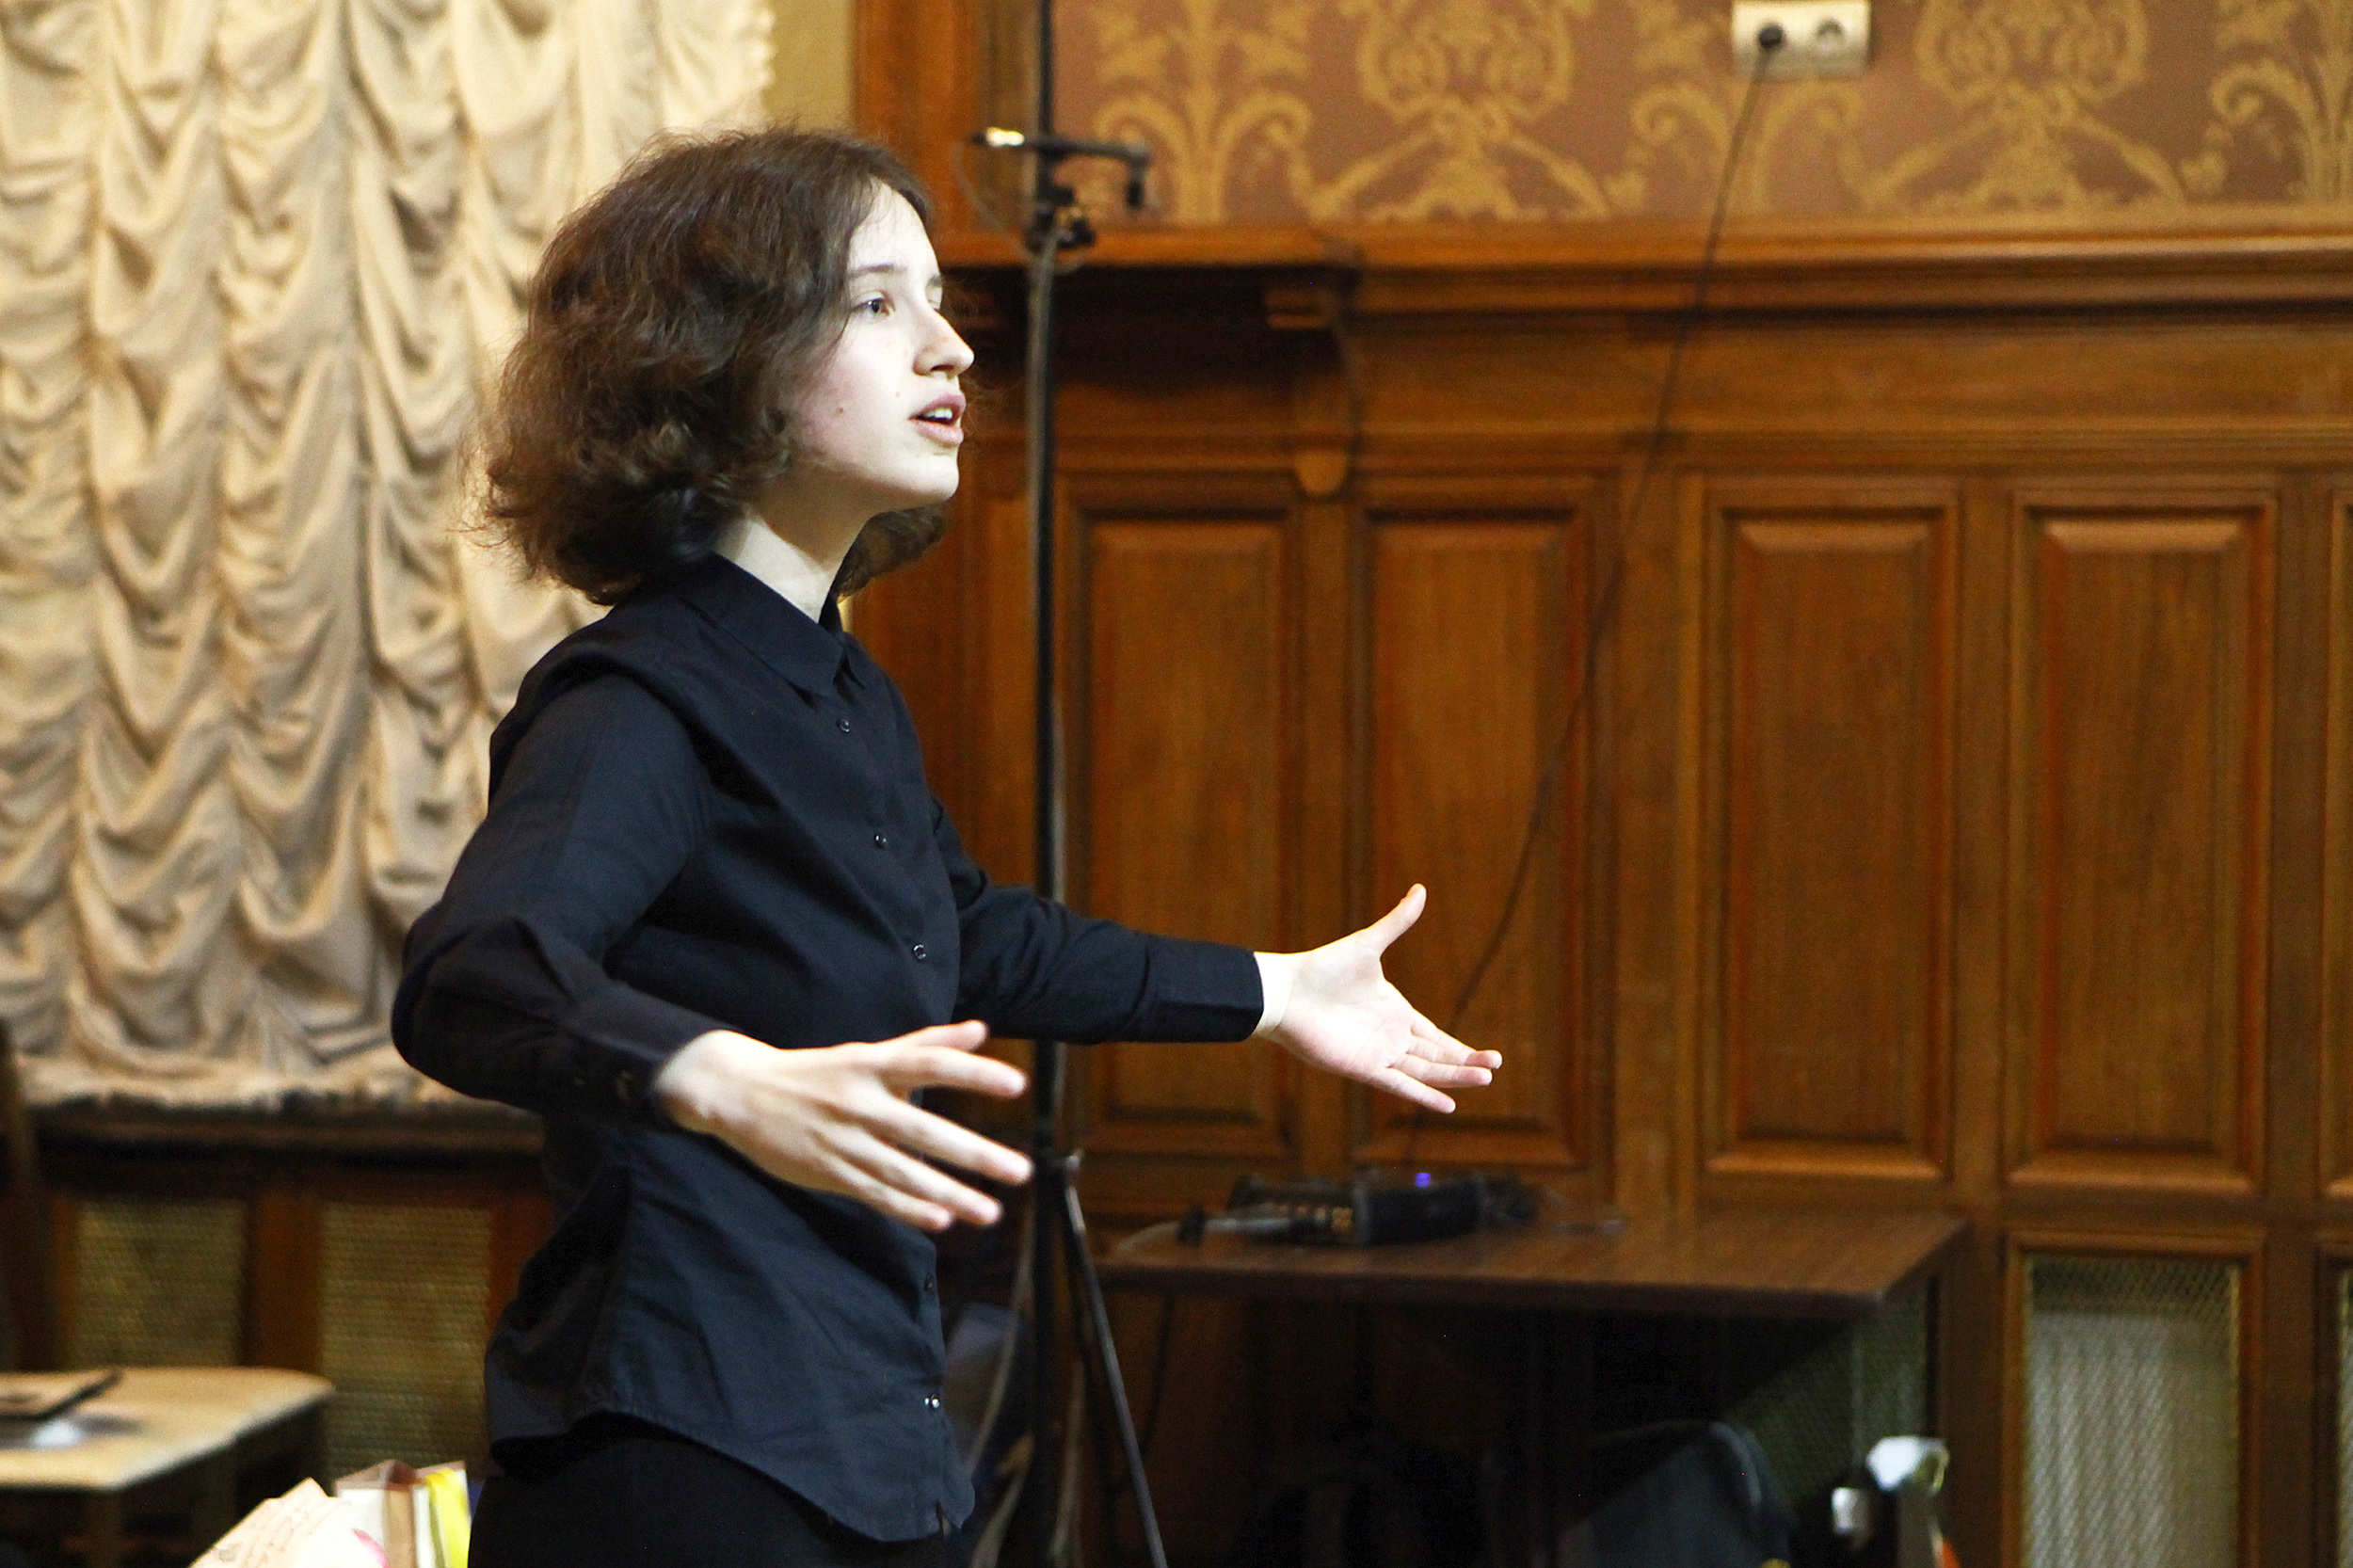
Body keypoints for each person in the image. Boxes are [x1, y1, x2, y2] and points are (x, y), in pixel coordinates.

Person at [391, 126, 1500, 1568]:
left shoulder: (844, 688)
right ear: (722, 360)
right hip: (684, 1457)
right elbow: (474, 969)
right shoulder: (638, 695)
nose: (952, 349)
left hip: (867, 1438)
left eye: (938, 300)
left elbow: (966, 933)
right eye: (876, 303)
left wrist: (1273, 991)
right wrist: (718, 1076)